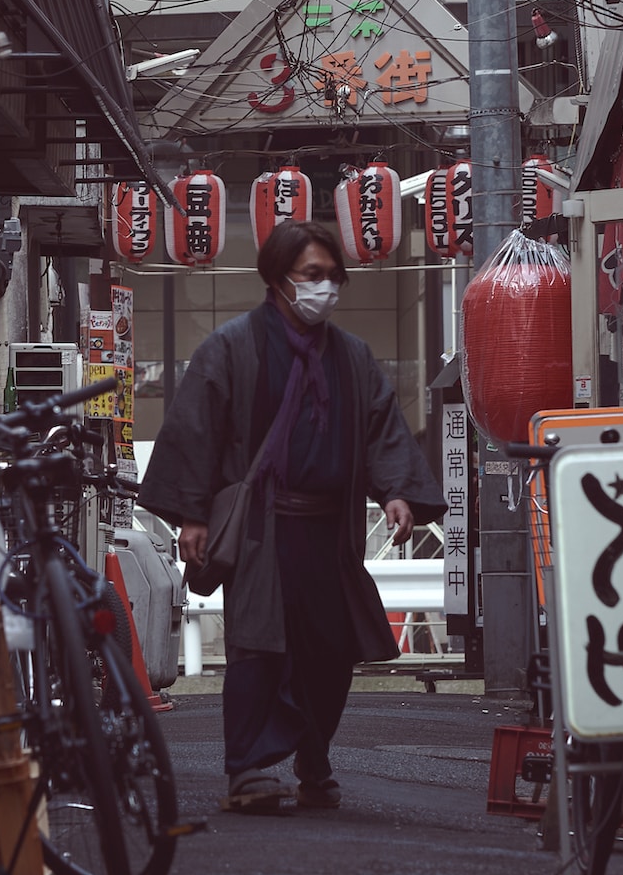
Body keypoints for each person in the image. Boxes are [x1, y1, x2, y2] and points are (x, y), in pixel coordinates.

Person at [139, 215, 442, 814]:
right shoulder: (230, 348)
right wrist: (193, 517)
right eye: (312, 275)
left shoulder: (352, 358)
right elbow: (197, 430)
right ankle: (248, 770)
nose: (324, 288)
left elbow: (382, 429)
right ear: (279, 278)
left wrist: (396, 493)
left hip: (331, 531)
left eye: (333, 277)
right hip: (263, 530)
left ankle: (313, 757)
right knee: (258, 647)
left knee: (329, 653)